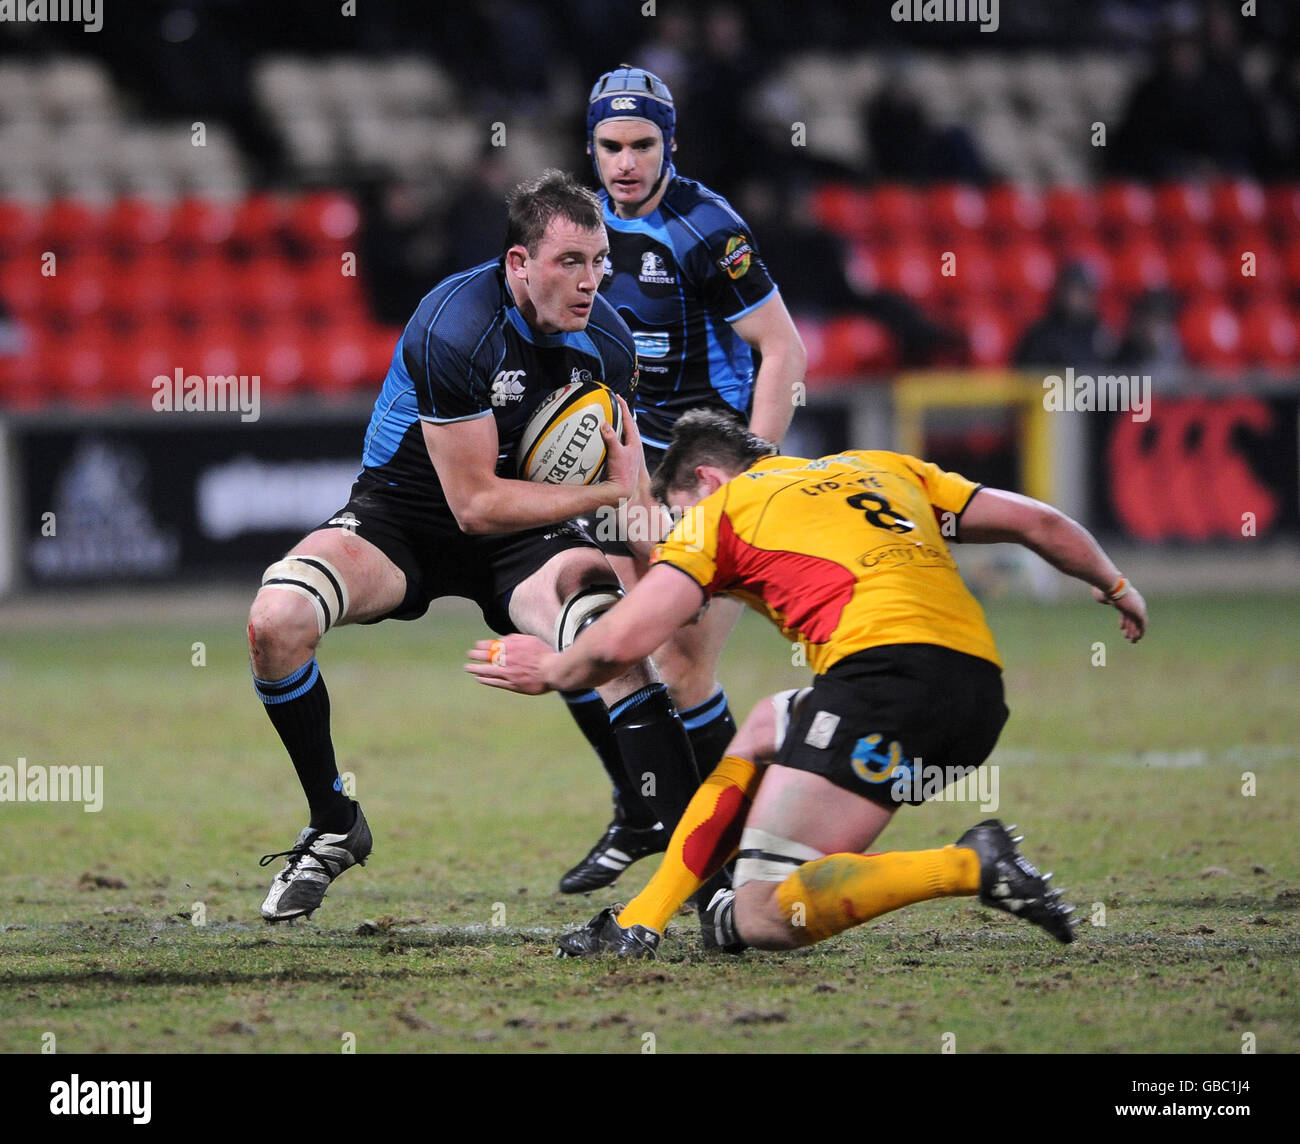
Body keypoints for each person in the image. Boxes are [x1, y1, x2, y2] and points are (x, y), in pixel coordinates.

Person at [467, 410, 1148, 956]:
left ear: (706, 481)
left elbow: (625, 639)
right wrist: (1115, 586)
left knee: (762, 915)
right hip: (973, 689)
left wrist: (550, 669)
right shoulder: (882, 469)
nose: (675, 531)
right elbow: (1038, 522)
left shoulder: (718, 515)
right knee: (767, 726)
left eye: (676, 513)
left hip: (886, 688)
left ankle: (969, 864)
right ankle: (642, 922)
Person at [250, 170, 705, 923]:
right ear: (519, 264)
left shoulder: (610, 346)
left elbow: (627, 496)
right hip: (408, 516)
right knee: (276, 623)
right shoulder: (454, 326)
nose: (591, 282)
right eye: (570, 263)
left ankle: (695, 861)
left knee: (613, 639)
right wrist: (607, 494)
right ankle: (335, 824)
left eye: (600, 263)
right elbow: (473, 505)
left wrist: (660, 584)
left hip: (528, 533)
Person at [556, 64, 807, 895]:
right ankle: (653, 815)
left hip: (705, 465)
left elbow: (784, 350)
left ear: (670, 144)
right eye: (609, 145)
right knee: (617, 640)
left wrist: (751, 473)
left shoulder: (706, 226)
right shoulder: (580, 223)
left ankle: (725, 856)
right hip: (628, 460)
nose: (624, 161)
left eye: (641, 144)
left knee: (684, 660)